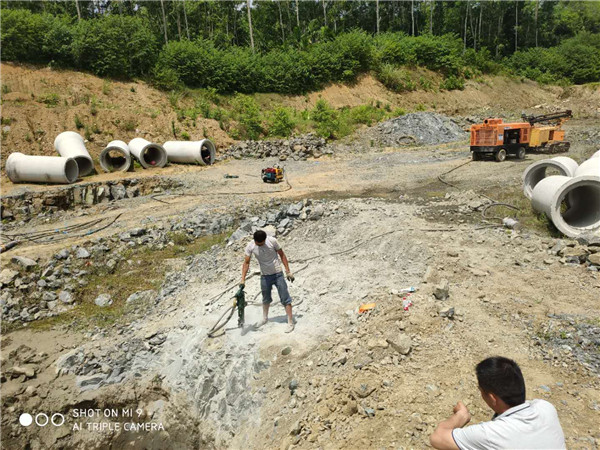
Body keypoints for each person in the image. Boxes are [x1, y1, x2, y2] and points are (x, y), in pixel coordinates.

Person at [430, 356, 566, 450]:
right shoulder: (546, 408)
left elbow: (437, 438)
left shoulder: (491, 434)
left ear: (492, 398)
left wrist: (461, 416)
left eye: (481, 391)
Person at [241, 230, 295, 333]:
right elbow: (246, 263)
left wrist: (288, 271)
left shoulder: (272, 241)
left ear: (265, 240)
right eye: (258, 244)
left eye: (261, 244)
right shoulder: (250, 246)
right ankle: (265, 318)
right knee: (265, 299)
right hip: (265, 276)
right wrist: (242, 279)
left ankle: (290, 322)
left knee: (285, 298)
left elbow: (282, 255)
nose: (260, 245)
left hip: (277, 273)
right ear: (255, 241)